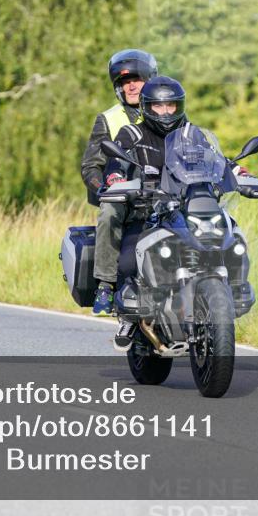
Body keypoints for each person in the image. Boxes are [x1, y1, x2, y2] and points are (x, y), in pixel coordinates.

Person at [92, 76, 189, 323]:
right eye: (159, 106)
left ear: (179, 106)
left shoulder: (189, 133)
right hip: (145, 211)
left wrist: (235, 171)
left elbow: (212, 157)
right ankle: (106, 283)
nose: (166, 112)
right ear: (147, 107)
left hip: (182, 211)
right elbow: (116, 160)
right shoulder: (132, 132)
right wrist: (114, 177)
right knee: (126, 263)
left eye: (171, 106)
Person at [79, 49, 157, 206]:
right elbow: (91, 166)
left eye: (137, 80)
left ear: (150, 81)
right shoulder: (108, 118)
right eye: (126, 82)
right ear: (119, 87)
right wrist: (104, 188)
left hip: (167, 197)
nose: (131, 86)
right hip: (125, 201)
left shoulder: (167, 111)